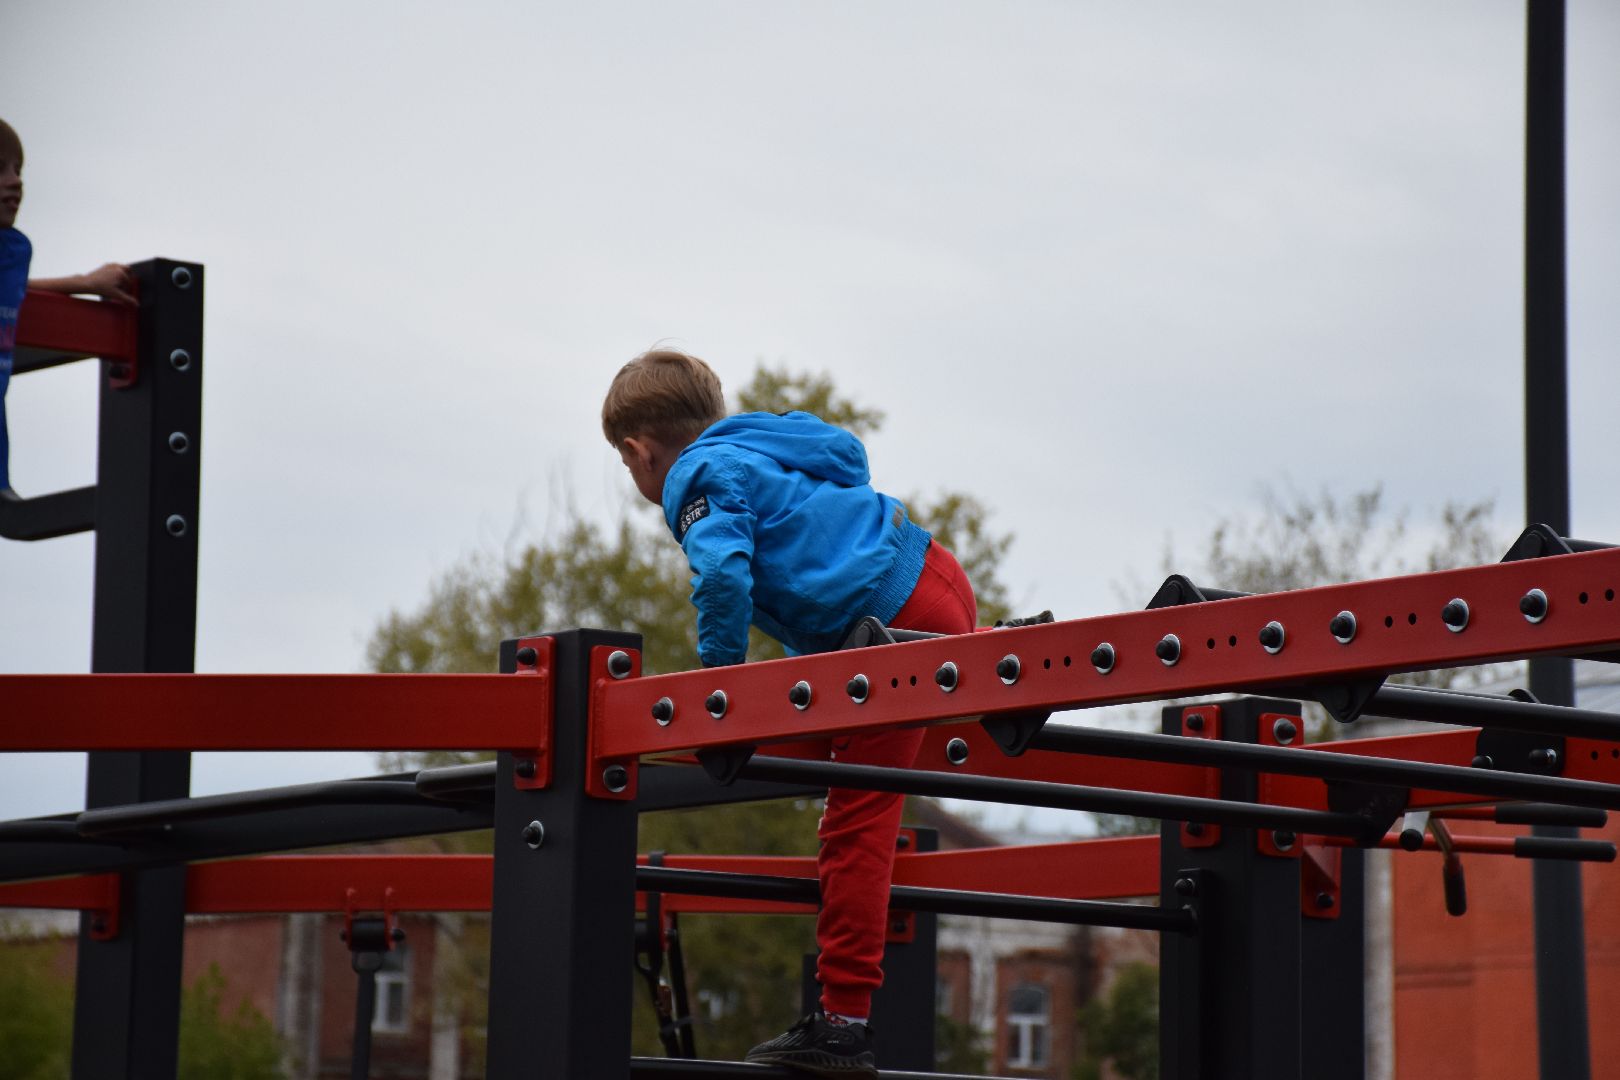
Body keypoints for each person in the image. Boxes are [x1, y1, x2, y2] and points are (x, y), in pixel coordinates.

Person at [604, 348, 978, 1076]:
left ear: (637, 452)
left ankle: (843, 1021)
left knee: (857, 817)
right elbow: (849, 458)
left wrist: (722, 700)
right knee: (848, 761)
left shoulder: (695, 477)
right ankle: (1005, 652)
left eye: (629, 468)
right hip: (936, 580)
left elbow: (721, 579)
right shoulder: (762, 441)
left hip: (887, 627)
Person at [0, 117, 135, 500]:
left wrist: (85, 284)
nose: (16, 182)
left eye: (18, 170)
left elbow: (12, 291)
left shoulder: (12, 251)